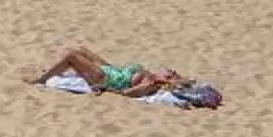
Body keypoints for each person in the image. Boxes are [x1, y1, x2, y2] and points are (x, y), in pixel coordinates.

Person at [29, 47, 188, 97]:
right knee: (80, 49)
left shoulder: (152, 83)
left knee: (71, 56)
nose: (172, 69)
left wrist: (107, 90)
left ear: (166, 78)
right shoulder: (150, 75)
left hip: (104, 78)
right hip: (111, 69)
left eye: (172, 73)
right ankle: (53, 69)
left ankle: (41, 79)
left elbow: (127, 92)